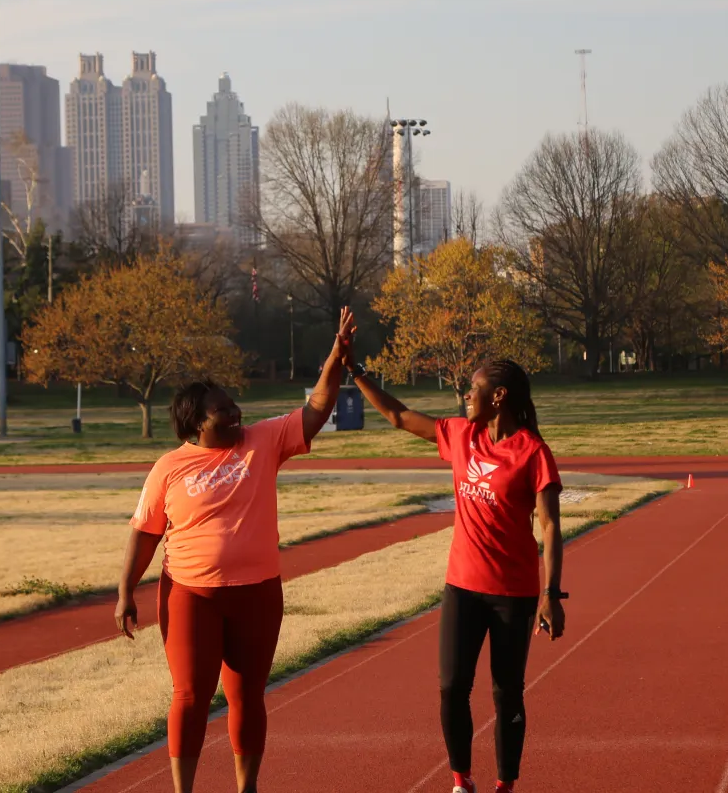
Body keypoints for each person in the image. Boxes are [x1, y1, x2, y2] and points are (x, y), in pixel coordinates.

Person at [115, 307, 357, 793]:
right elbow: (144, 533)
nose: (235, 413)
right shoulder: (169, 468)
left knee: (246, 696)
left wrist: (335, 358)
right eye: (224, 410)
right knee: (190, 695)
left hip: (257, 593)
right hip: (191, 594)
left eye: (234, 405)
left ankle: (246, 789)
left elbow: (317, 408)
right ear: (196, 423)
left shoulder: (262, 441)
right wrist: (125, 593)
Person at [344, 355, 565, 793]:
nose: (466, 394)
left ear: (498, 397)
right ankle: (461, 781)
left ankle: (505, 785)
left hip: (513, 593)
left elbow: (550, 526)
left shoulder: (532, 453)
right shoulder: (461, 435)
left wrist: (550, 594)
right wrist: (356, 371)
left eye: (473, 387)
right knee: (451, 688)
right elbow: (398, 416)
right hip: (462, 586)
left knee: (506, 694)